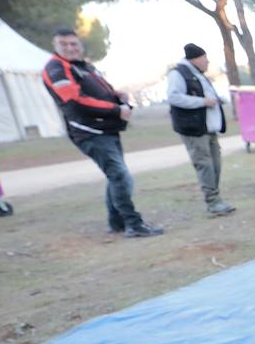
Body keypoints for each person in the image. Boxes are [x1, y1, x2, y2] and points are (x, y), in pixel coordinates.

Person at [41, 28, 163, 238]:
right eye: (64, 44)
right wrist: (116, 110)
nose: (70, 48)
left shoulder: (83, 66)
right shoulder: (55, 68)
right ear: (55, 46)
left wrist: (117, 95)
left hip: (106, 128)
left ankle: (116, 223)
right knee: (120, 176)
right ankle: (132, 224)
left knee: (116, 176)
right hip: (89, 131)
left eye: (74, 44)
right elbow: (75, 100)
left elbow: (101, 89)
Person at [166, 43, 234, 216]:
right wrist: (202, 102)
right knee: (205, 164)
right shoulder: (179, 74)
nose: (207, 61)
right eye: (205, 58)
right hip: (194, 128)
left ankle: (216, 199)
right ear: (195, 58)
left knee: (215, 165)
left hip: (209, 127)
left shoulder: (198, 75)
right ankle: (213, 202)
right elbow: (174, 97)